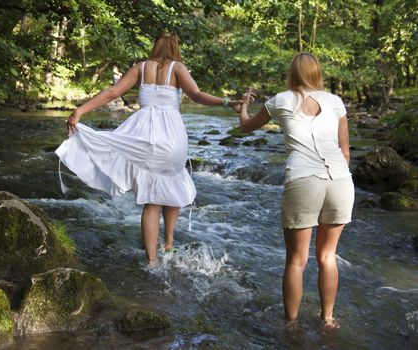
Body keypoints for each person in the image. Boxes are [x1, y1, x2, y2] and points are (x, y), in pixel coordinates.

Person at [56, 32, 240, 266]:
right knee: (173, 182)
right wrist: (227, 102)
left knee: (151, 201)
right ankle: (170, 244)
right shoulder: (178, 68)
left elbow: (113, 92)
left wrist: (80, 110)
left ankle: (151, 259)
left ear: (154, 47)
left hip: (143, 137)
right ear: (175, 48)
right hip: (172, 139)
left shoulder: (141, 67)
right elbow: (197, 95)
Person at [235, 52, 354, 330]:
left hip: (303, 179)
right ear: (317, 73)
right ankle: (328, 319)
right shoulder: (336, 102)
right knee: (327, 256)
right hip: (340, 179)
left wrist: (242, 107)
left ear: (292, 73)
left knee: (297, 260)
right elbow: (345, 152)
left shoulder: (279, 100)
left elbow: (245, 127)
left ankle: (291, 324)